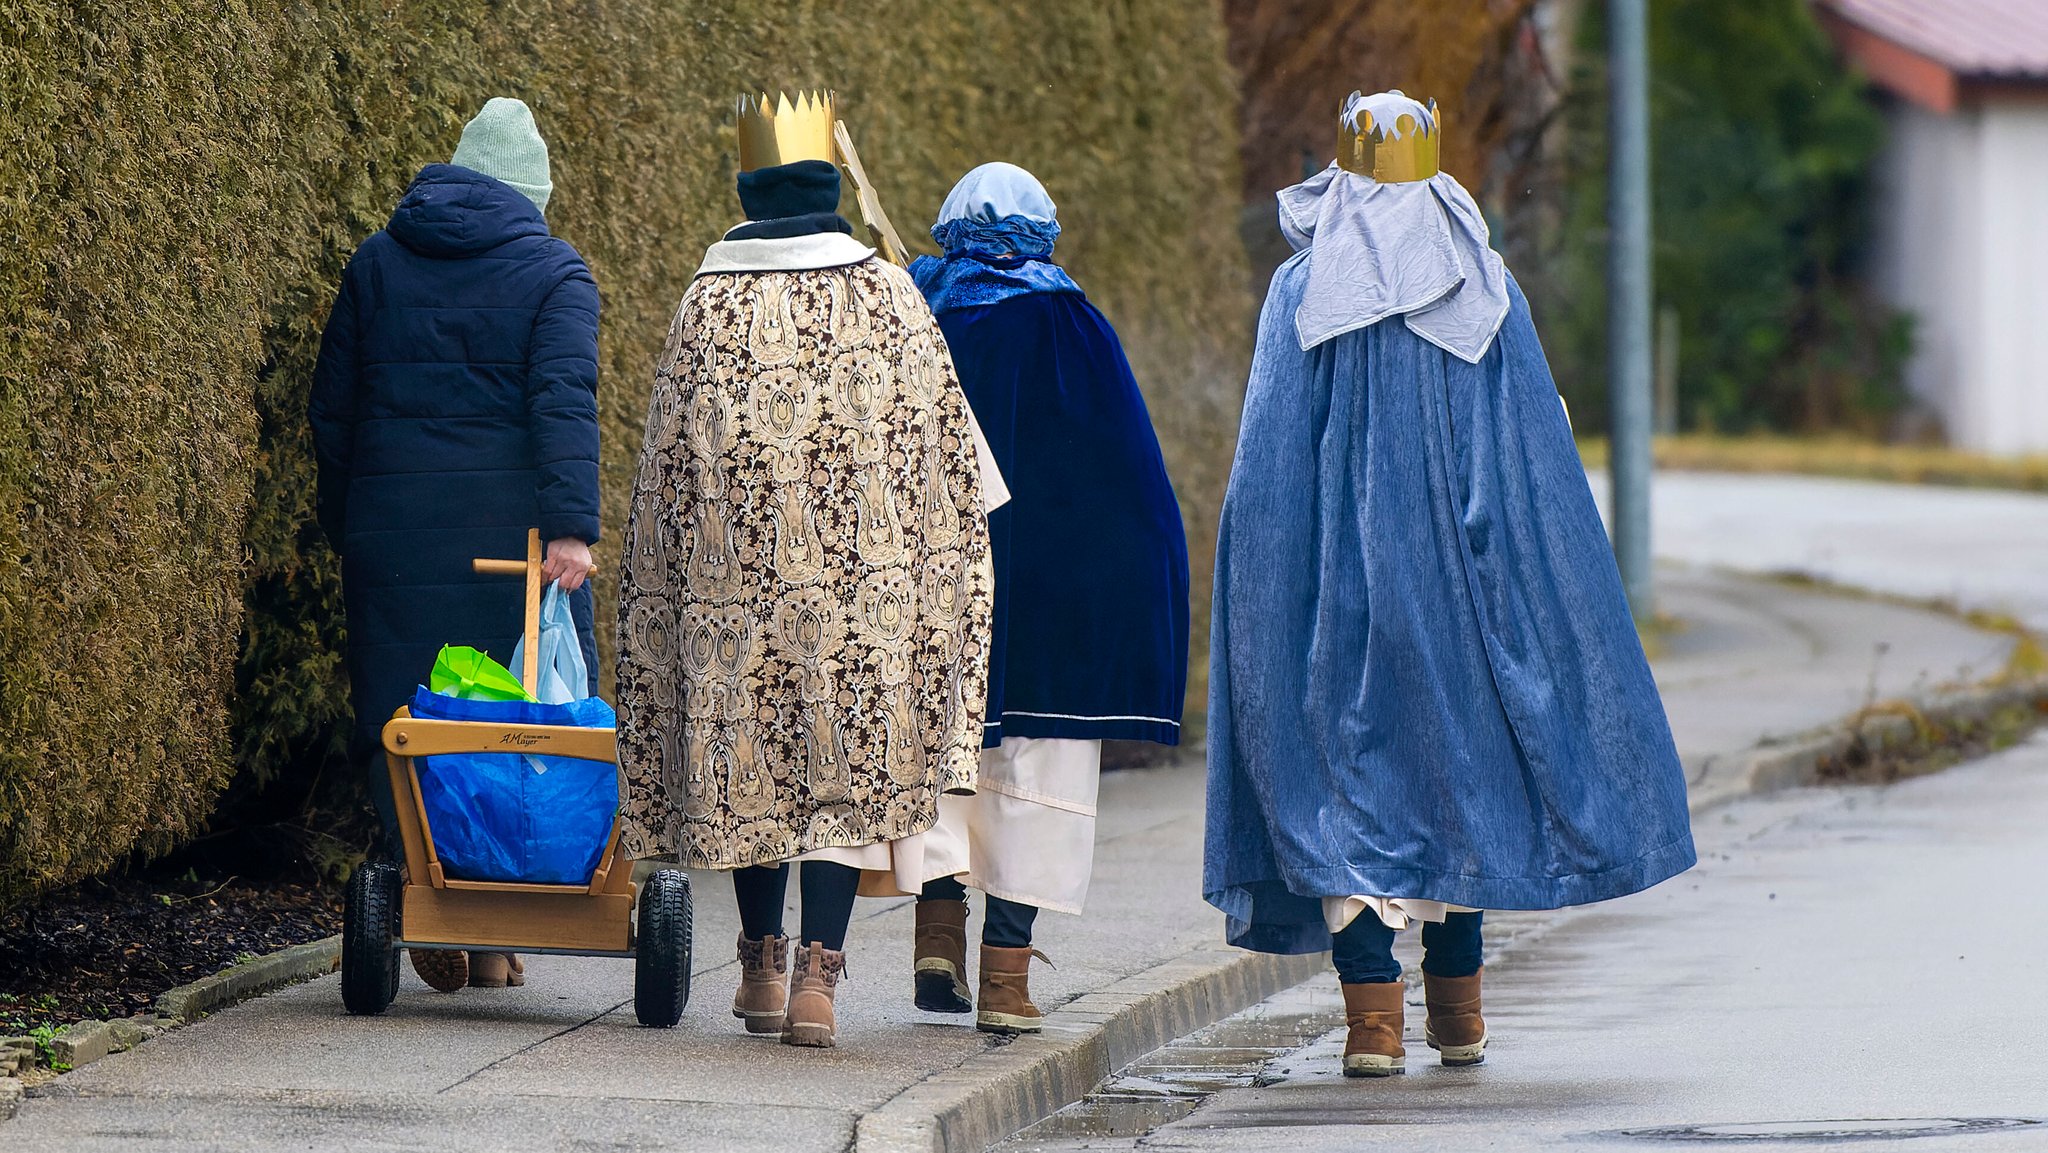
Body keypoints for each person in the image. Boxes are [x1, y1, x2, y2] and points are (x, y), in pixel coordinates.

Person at [1203, 90, 1696, 1077]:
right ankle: (1458, 1011)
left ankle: (1371, 1021)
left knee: (1340, 790)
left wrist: (1256, 589)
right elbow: (1532, 460)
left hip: (1334, 602)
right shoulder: (1486, 286)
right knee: (1455, 780)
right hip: (1459, 598)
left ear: (1339, 171)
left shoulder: (1303, 293)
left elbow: (1264, 469)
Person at [614, 91, 997, 1049]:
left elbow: (668, 457)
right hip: (860, 594)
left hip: (732, 591)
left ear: (747, 189)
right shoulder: (890, 294)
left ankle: (759, 964)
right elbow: (945, 447)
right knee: (838, 767)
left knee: (752, 758)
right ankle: (821, 981)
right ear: (830, 188)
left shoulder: (709, 300)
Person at [311, 96, 600, 995]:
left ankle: (432, 892)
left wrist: (349, 524)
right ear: (533, 195)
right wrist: (571, 531)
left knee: (404, 719)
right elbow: (562, 401)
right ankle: (488, 918)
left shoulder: (375, 263)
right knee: (511, 724)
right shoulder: (557, 275)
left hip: (391, 538)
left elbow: (334, 412)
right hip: (507, 549)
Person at [905, 163, 1189, 1034]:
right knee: (1033, 766)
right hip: (1050, 589)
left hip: (937, 576)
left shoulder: (918, 315)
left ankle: (936, 929)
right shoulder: (1074, 324)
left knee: (941, 749)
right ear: (1042, 234)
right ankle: (1004, 978)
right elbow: (1126, 472)